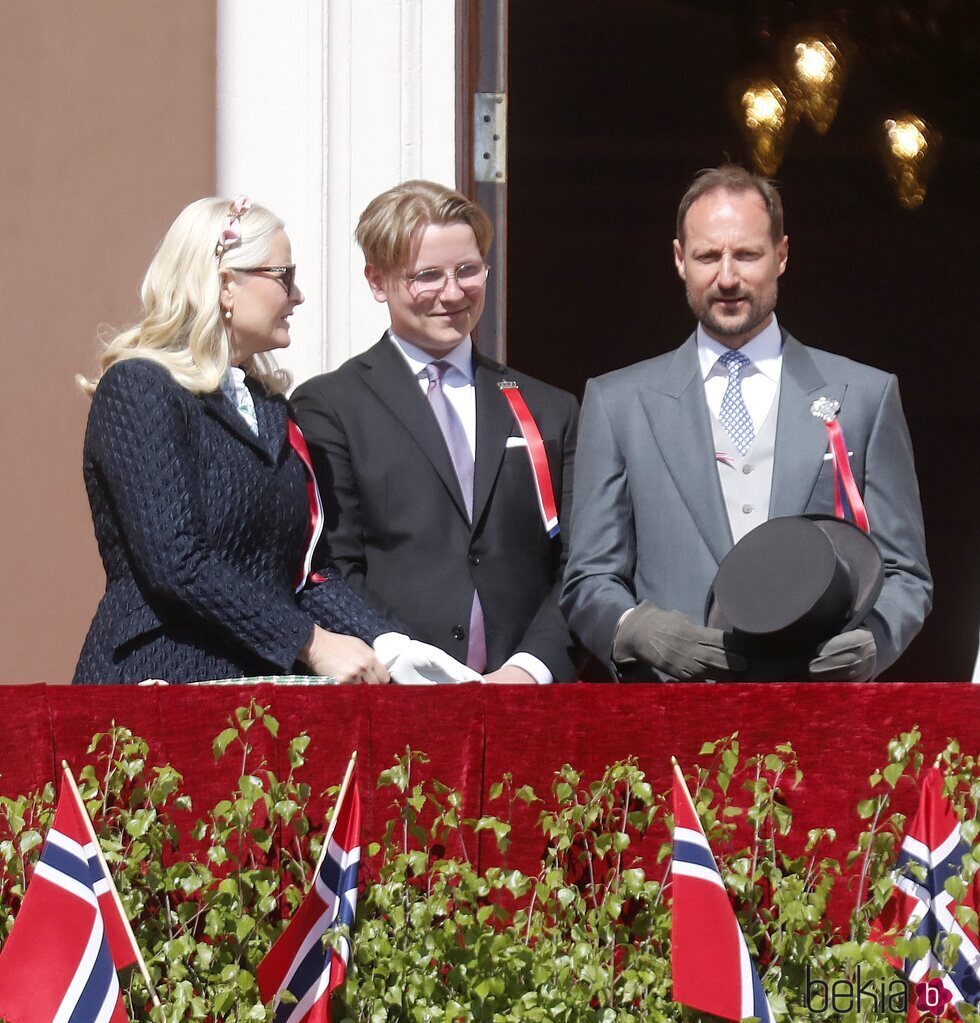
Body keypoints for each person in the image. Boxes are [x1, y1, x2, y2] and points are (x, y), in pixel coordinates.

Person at [74, 195, 470, 686]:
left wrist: (390, 645)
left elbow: (306, 570)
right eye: (284, 276)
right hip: (160, 682)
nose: (298, 295)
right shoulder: (139, 387)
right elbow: (177, 563)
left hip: (260, 696)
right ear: (224, 285)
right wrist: (312, 642)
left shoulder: (268, 407)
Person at [560, 164, 932, 682]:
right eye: (708, 256)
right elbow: (587, 579)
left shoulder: (866, 396)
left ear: (781, 255)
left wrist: (874, 642)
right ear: (679, 260)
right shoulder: (616, 403)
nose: (727, 277)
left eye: (748, 254)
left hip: (815, 712)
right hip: (669, 719)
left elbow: (906, 573)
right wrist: (633, 629)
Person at [292, 180, 580, 683]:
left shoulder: (549, 407)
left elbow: (580, 563)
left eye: (468, 270)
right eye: (427, 275)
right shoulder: (330, 406)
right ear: (378, 282)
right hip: (391, 691)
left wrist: (530, 669)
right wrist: (400, 657)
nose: (453, 292)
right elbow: (331, 562)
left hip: (527, 698)